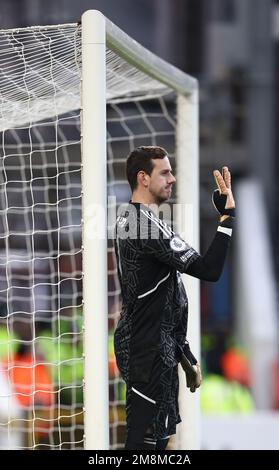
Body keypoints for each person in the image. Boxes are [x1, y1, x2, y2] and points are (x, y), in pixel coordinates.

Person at [114, 146, 235, 450]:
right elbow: (210, 270)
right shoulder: (142, 224)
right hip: (146, 352)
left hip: (158, 349)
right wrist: (227, 217)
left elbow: (167, 299)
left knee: (161, 442)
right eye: (164, 172)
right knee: (144, 445)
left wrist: (185, 356)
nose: (173, 178)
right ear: (143, 178)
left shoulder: (146, 221)